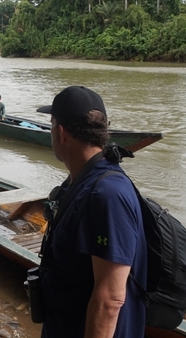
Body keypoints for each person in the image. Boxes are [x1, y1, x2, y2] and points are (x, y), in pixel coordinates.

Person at [35, 85, 147, 337]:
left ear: (61, 133)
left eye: (51, 125)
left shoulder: (107, 194)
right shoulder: (78, 181)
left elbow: (110, 299)